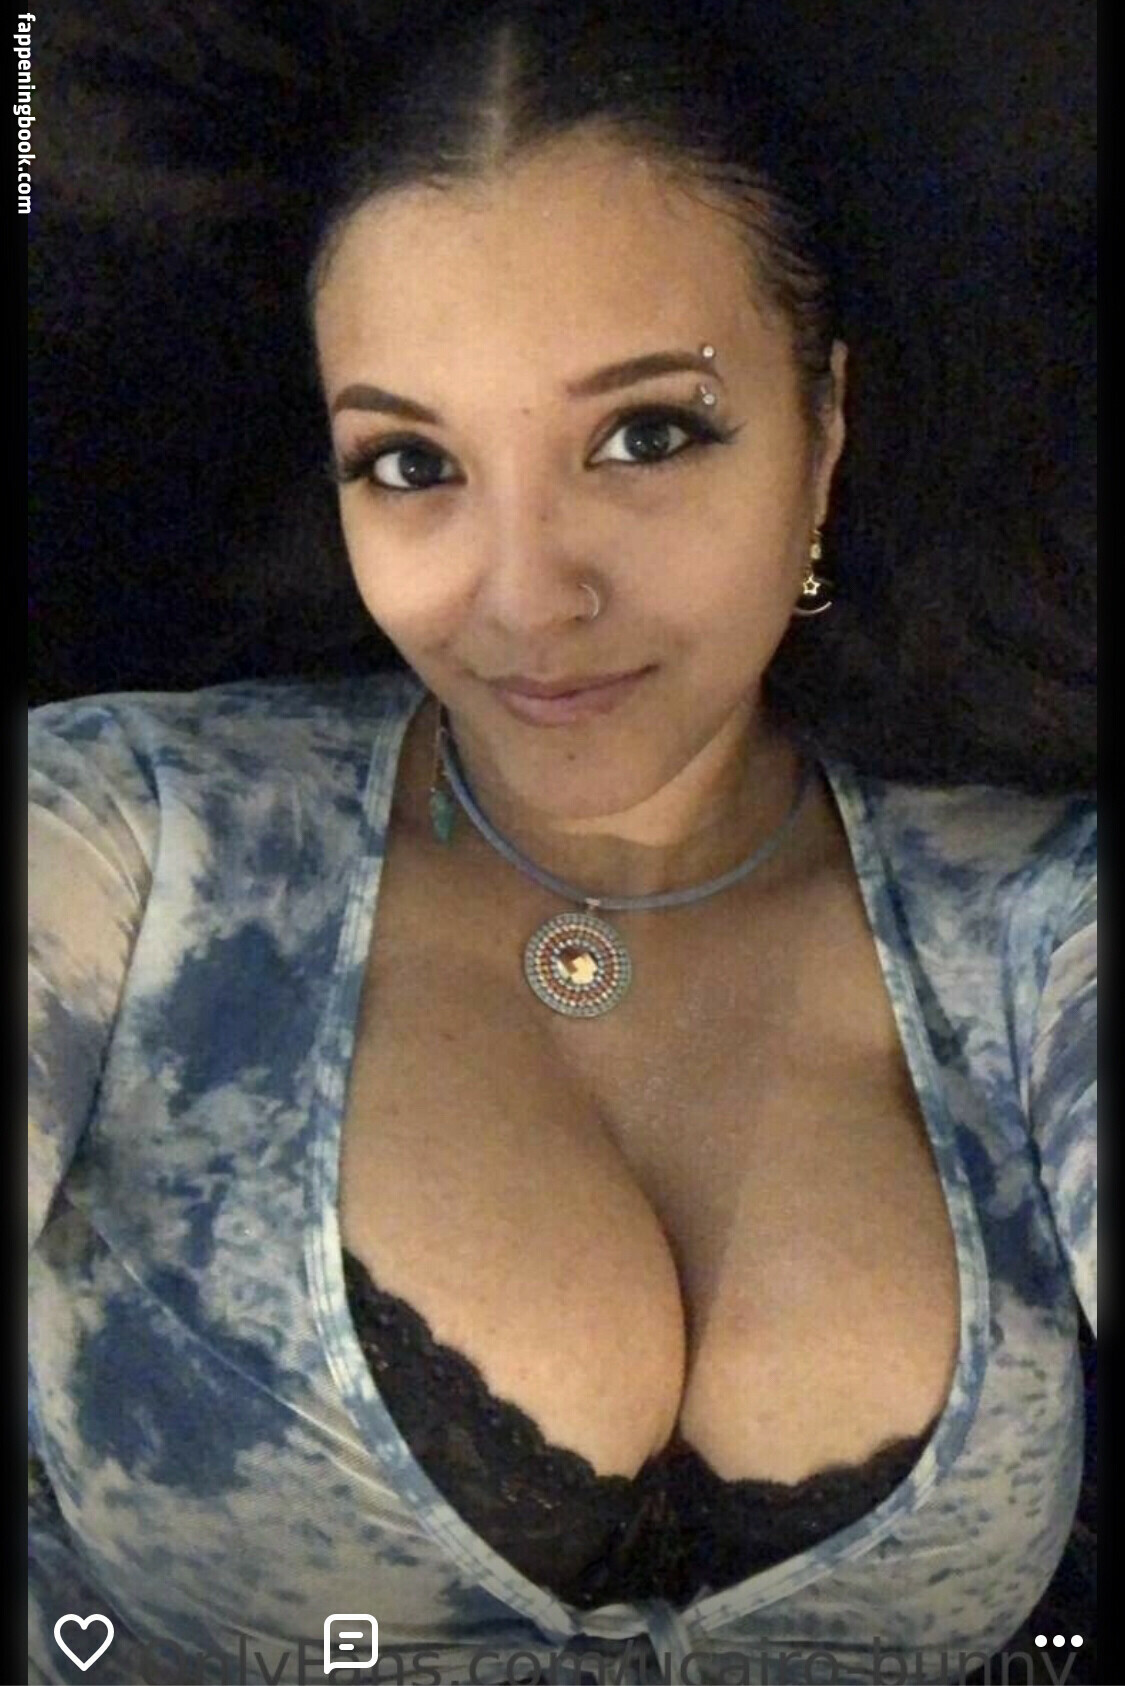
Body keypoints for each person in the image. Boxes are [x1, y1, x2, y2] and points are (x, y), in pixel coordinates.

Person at [28, 1, 1095, 1681]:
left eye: (645, 434)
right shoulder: (125, 844)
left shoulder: (1038, 921)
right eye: (410, 462)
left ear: (822, 430)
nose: (525, 598)